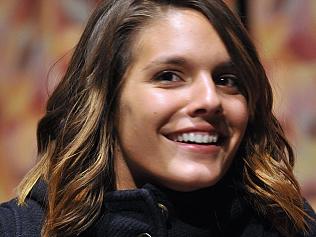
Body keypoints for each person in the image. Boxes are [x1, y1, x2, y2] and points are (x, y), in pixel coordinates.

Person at [1, 0, 315, 236]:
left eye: (227, 80)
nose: (210, 100)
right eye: (169, 76)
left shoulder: (288, 225)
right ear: (107, 97)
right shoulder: (18, 229)